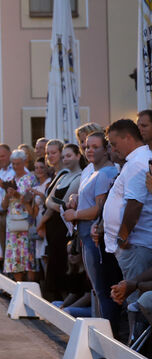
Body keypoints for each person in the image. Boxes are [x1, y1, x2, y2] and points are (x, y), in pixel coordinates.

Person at [63, 132, 121, 335]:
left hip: (95, 236)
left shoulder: (106, 173)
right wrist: (75, 196)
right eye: (87, 146)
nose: (89, 150)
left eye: (95, 147)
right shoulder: (91, 170)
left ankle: (108, 337)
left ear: (106, 149)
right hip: (86, 235)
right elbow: (87, 195)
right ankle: (101, 334)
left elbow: (99, 209)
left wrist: (75, 214)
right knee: (97, 290)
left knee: (102, 289)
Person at [103, 119, 152, 305]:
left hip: (136, 245)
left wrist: (122, 236)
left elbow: (134, 204)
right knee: (131, 299)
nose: (113, 149)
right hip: (134, 244)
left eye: (114, 144)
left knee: (134, 301)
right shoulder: (134, 161)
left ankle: (133, 335)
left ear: (128, 137)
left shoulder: (138, 162)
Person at [38, 143, 82, 301]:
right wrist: (55, 204)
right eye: (64, 156)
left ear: (78, 155)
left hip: (64, 227)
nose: (66, 159)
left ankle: (64, 301)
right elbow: (49, 201)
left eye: (69, 155)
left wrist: (54, 204)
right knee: (54, 263)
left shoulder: (80, 176)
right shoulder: (63, 176)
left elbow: (62, 203)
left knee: (64, 264)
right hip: (54, 227)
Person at [1, 150, 37, 281]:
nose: (15, 167)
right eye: (13, 164)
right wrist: (7, 195)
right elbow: (3, 206)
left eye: (18, 163)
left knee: (28, 256)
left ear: (24, 162)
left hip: (26, 220)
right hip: (12, 221)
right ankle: (18, 287)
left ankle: (31, 291)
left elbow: (32, 201)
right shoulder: (9, 180)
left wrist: (17, 195)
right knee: (14, 257)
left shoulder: (31, 178)